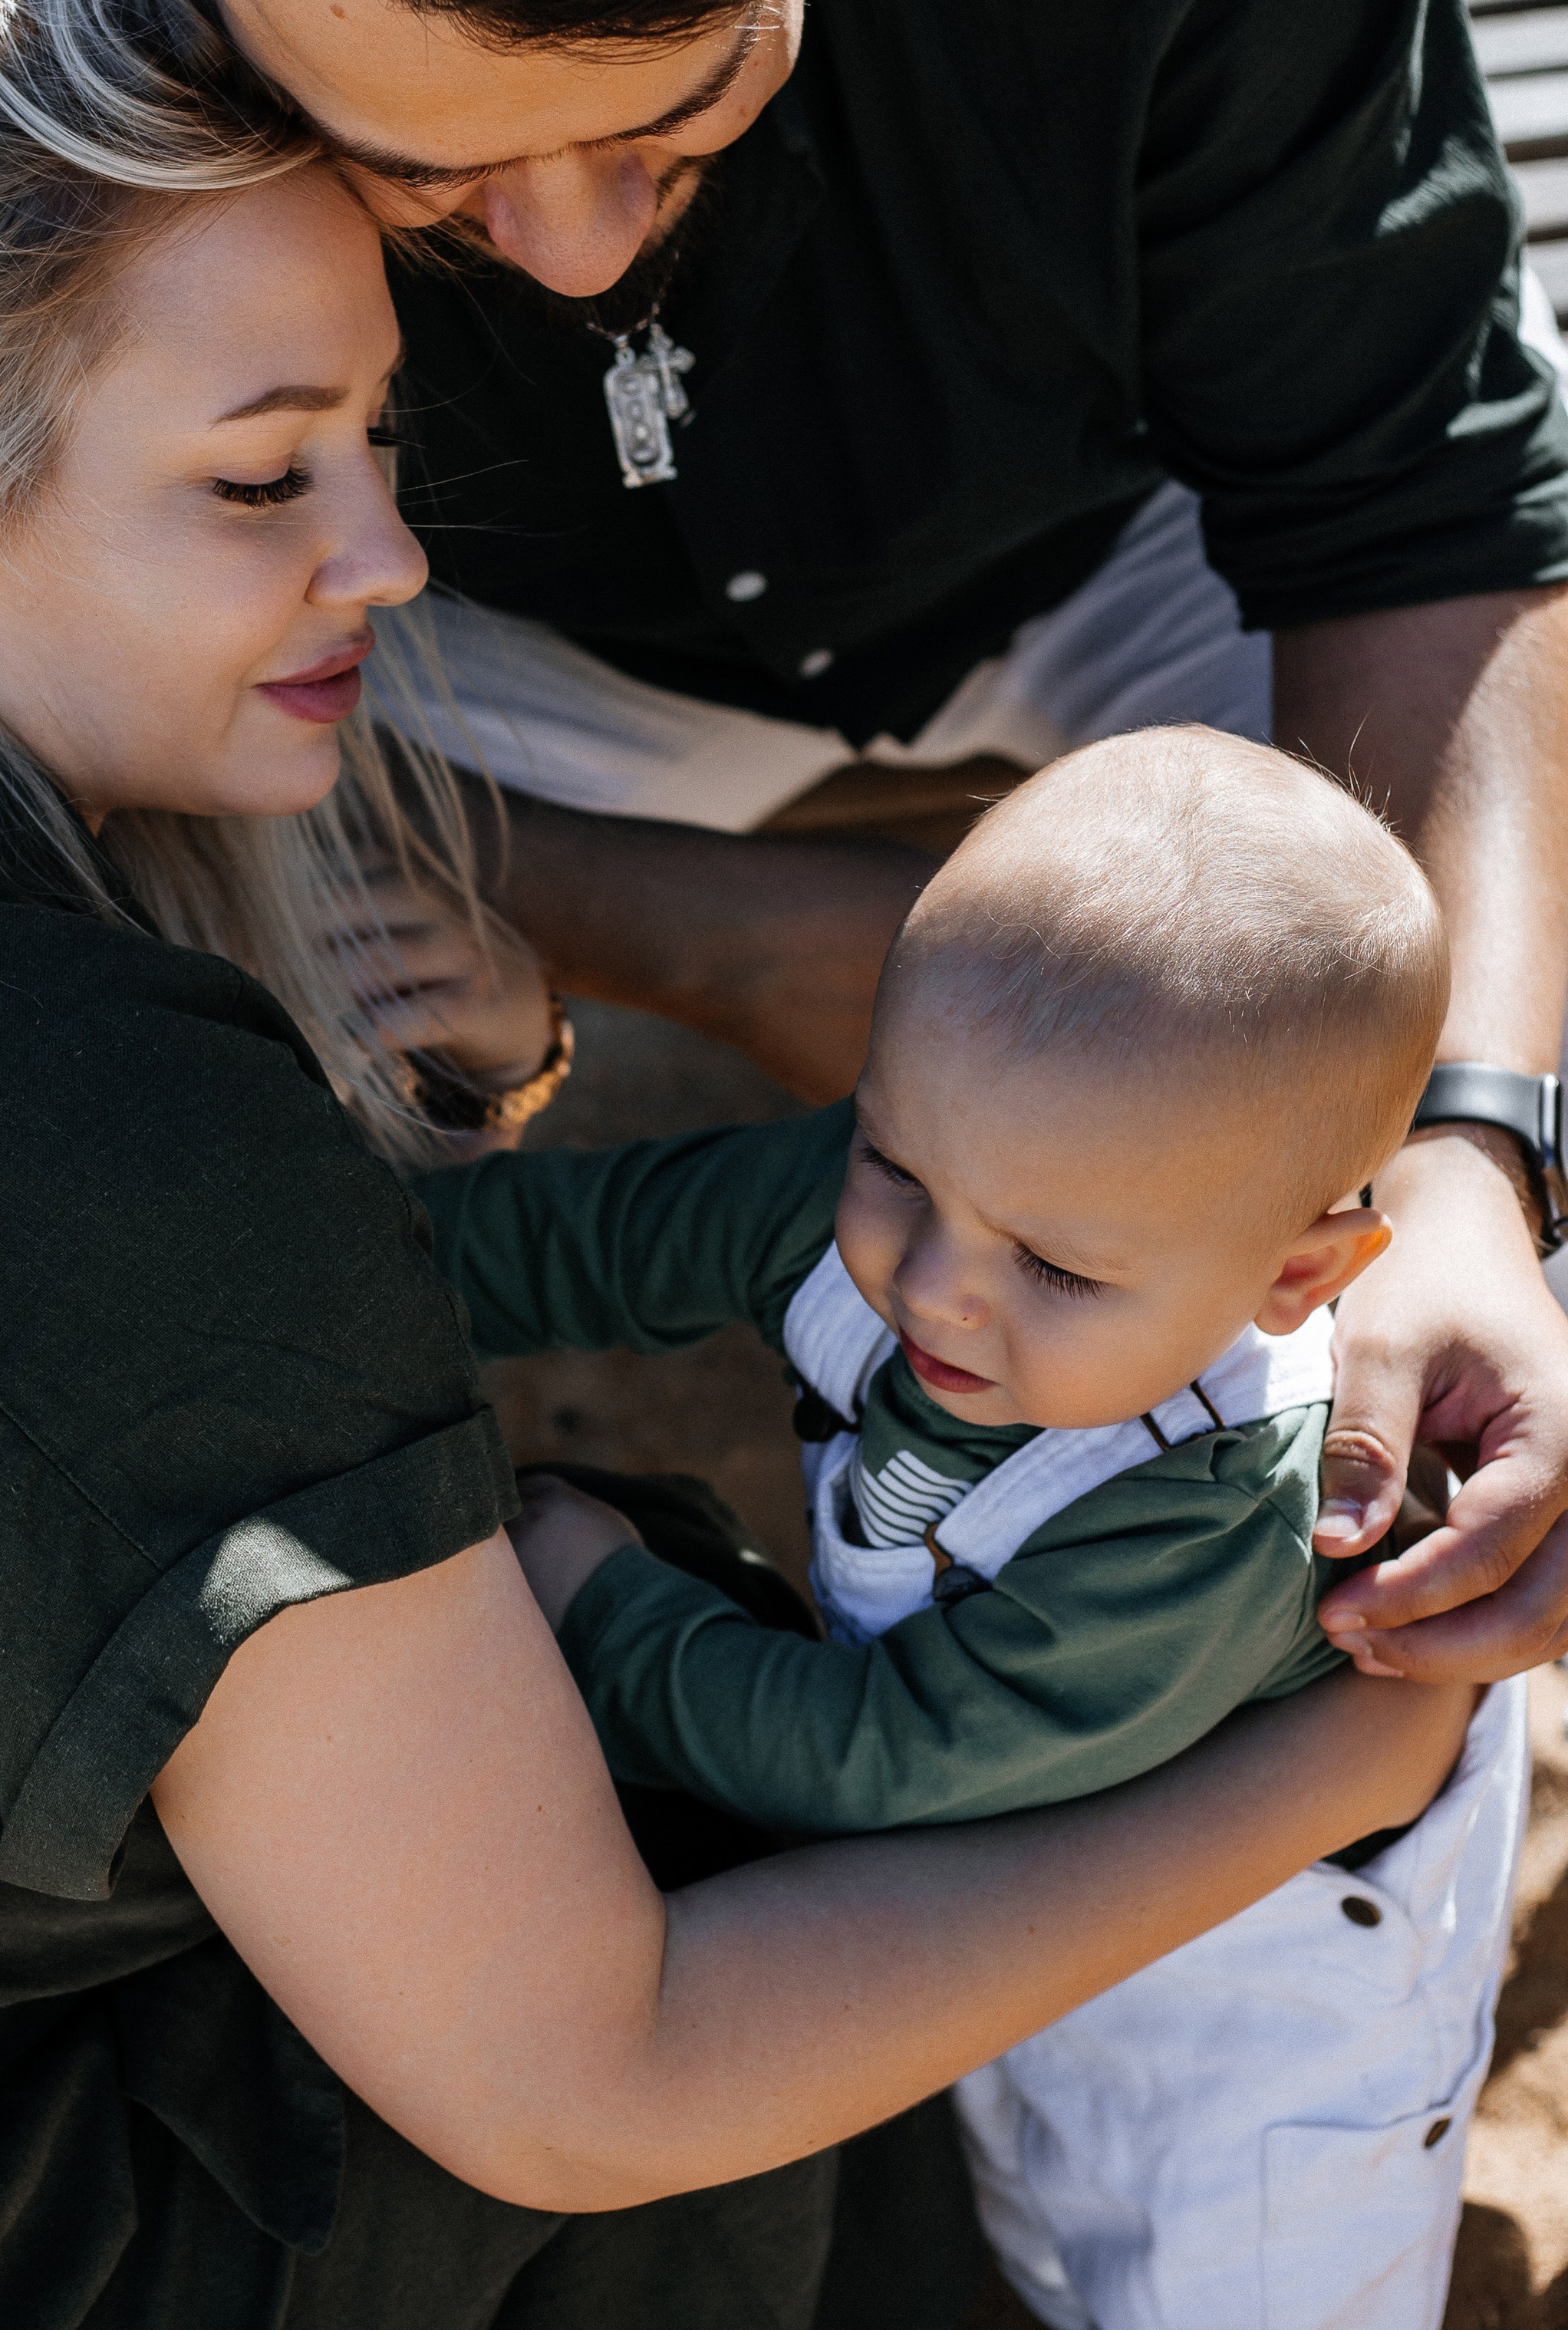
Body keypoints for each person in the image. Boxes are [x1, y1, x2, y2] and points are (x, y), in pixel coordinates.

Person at [0, 0, 1474, 2328]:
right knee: (677, 1797)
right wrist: (1333, 1774)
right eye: (262, 474)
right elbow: (590, 2077)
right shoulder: (91, 1140)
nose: (385, 554)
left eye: (373, 438)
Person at [0, 0, 1568, 1682]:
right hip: (448, 619)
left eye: (685, 97)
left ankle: (749, 943)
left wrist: (1463, 1157)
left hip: (1117, 516)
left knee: (1513, 1020)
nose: (562, 257)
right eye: (418, 154)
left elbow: (1415, 497)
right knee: (115, 1094)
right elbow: (7, 619)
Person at [418, 727, 1527, 2327]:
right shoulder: (950, 1193)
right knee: (1010, 2198)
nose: (932, 1279)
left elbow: (873, 1763)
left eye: (1056, 1269)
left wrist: (608, 1606)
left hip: (1246, 1995)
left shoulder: (1204, 1509)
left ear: (1297, 1277)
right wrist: (328, 1279)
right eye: (888, 1156)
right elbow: (579, 1243)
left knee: (1213, 2284)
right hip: (1011, 1877)